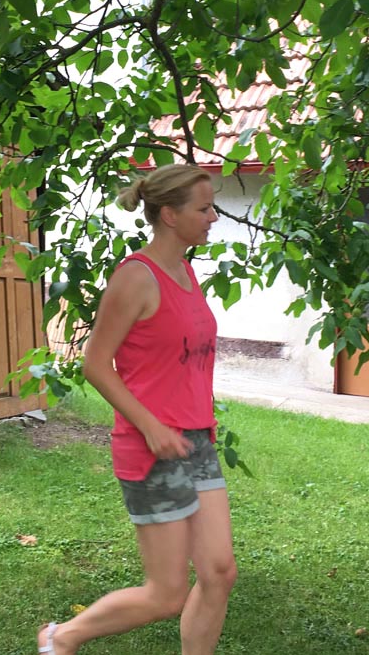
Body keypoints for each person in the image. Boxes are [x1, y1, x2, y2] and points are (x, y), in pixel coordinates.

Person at [38, 164, 237, 655]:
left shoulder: (185, 271)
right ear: (169, 215)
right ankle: (61, 638)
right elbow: (95, 364)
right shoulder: (136, 278)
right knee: (166, 594)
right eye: (204, 209)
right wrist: (151, 426)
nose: (213, 217)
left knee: (219, 572)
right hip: (152, 448)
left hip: (196, 440)